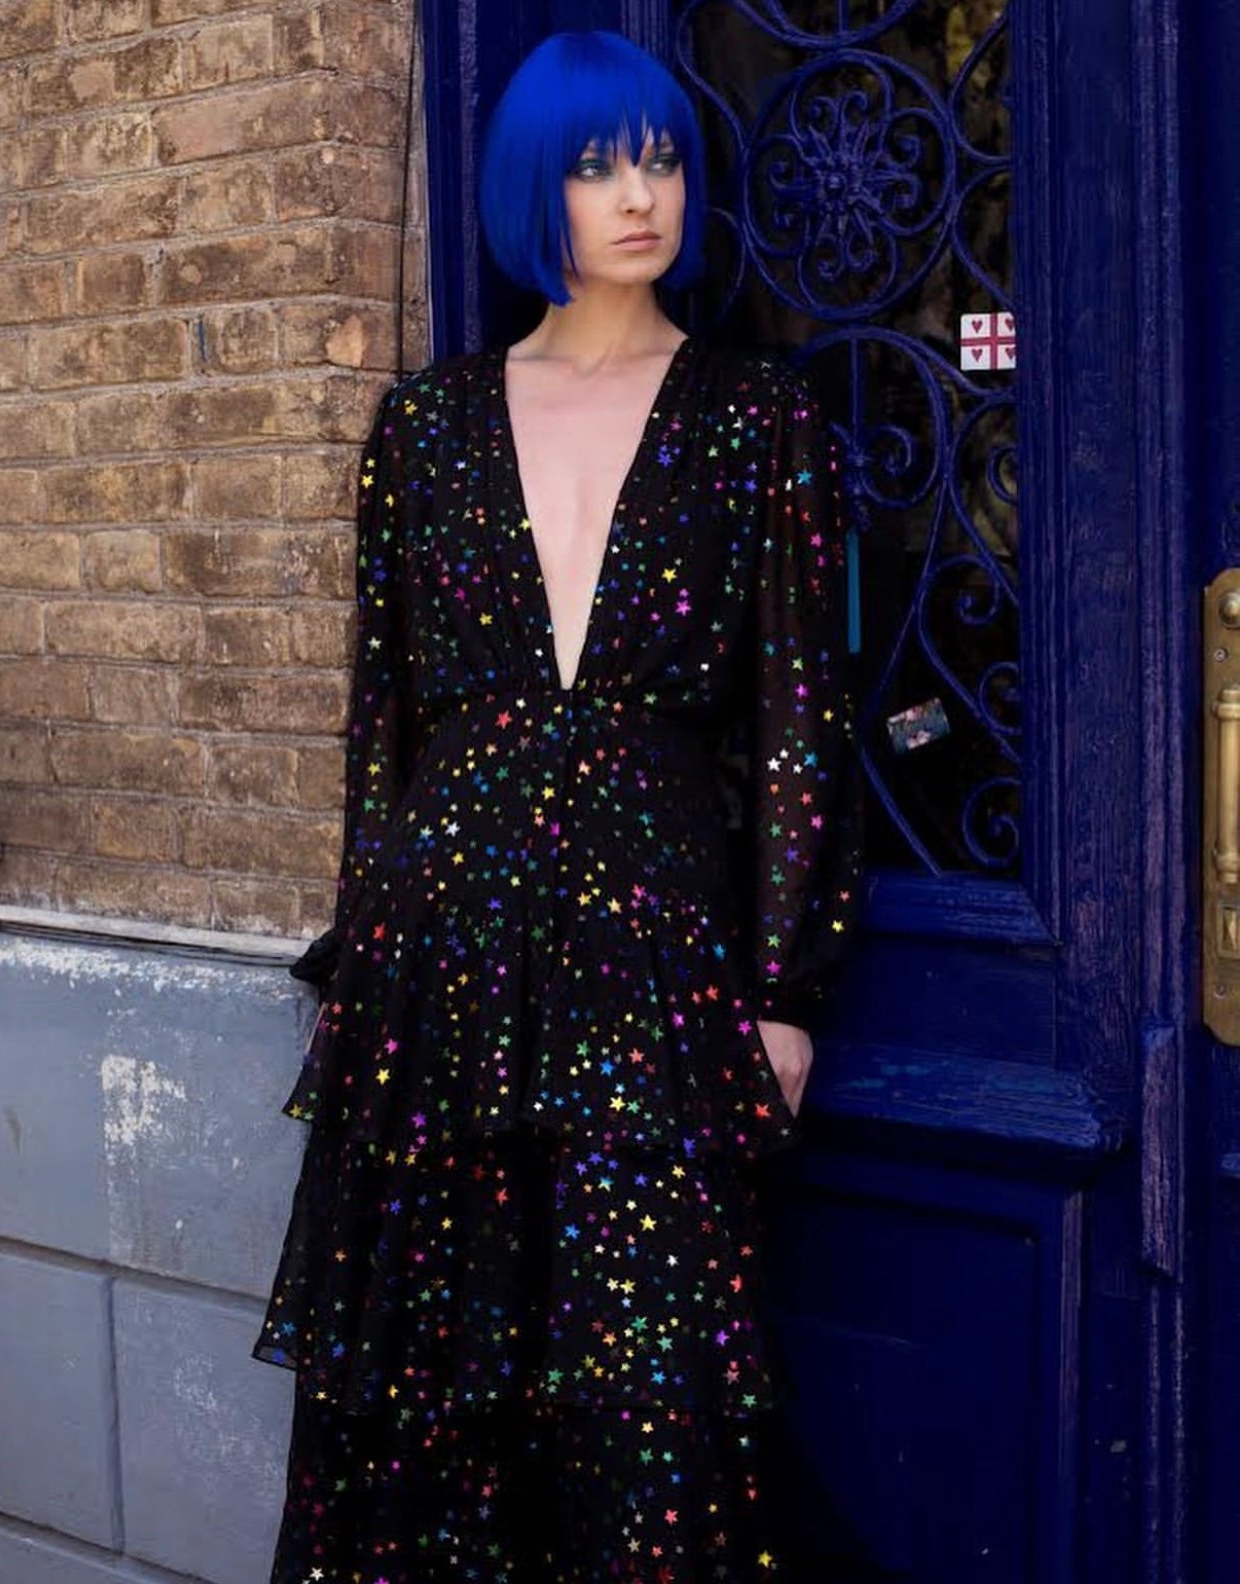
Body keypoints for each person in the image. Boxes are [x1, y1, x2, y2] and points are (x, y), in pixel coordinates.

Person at [254, 27, 863, 1584]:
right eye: (596, 165)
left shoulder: (755, 417)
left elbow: (801, 717)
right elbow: (383, 723)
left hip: (652, 969)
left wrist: (785, 990)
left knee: (649, 1395)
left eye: (659, 158)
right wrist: (360, 961)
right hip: (441, 965)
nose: (638, 194)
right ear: (539, 187)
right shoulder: (428, 425)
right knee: (432, 1385)